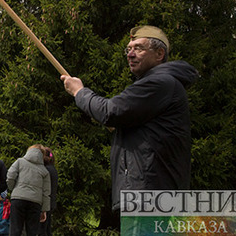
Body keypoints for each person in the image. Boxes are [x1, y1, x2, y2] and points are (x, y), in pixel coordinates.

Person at [60, 25, 198, 217]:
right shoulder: (160, 84)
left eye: (138, 48)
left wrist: (79, 92)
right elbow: (119, 118)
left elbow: (110, 112)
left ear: (159, 54)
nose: (130, 54)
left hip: (150, 198)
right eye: (129, 49)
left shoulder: (160, 83)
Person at [7, 144, 51, 236]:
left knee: (15, 230)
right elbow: (46, 192)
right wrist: (44, 210)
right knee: (32, 232)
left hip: (18, 199)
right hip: (35, 202)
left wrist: (13, 189)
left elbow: (10, 176)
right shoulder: (44, 171)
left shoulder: (19, 162)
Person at [38, 147, 58, 236]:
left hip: (46, 203)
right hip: (51, 202)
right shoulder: (52, 169)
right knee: (47, 230)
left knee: (42, 231)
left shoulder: (45, 170)